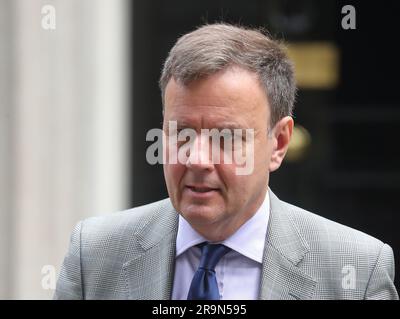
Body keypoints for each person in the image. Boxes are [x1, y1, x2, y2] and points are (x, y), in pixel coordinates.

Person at [54, 23, 398, 300]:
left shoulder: (356, 271)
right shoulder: (95, 255)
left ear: (278, 143)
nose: (197, 158)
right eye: (182, 133)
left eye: (227, 138)